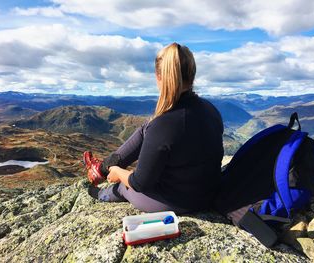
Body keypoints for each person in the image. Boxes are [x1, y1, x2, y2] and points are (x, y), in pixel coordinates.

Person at [84, 42, 224, 214]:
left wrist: (118, 172)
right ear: (192, 74)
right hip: (210, 193)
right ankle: (101, 169)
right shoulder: (211, 109)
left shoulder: (164, 124)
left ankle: (103, 192)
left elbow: (139, 183)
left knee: (124, 186)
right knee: (147, 127)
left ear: (159, 76)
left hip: (180, 203)